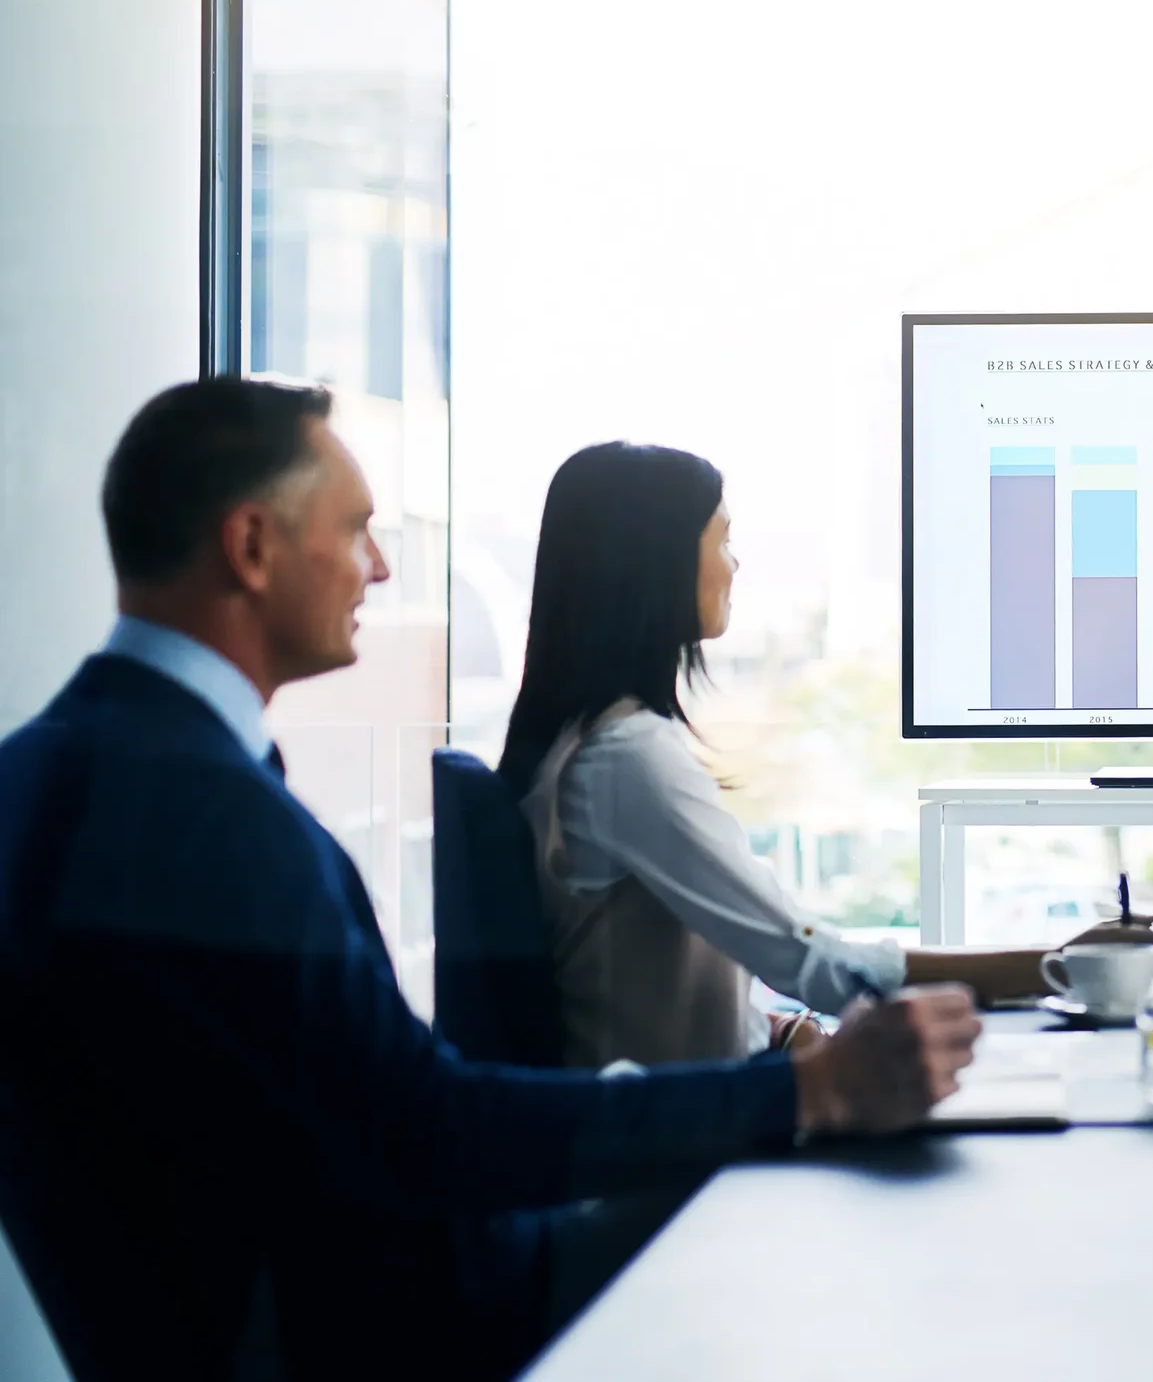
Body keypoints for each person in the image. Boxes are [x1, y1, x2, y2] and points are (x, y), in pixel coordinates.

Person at [0, 379, 982, 1382]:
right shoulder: (203, 815)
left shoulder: (44, 773)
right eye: (357, 531)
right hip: (401, 1323)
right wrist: (799, 1091)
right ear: (251, 547)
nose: (378, 568)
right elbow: (424, 1128)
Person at [500, 441, 1153, 1069]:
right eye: (722, 539)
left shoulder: (584, 742)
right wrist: (1062, 966)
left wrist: (779, 1034)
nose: (735, 563)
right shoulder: (628, 757)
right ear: (659, 561)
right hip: (685, 1153)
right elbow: (816, 964)